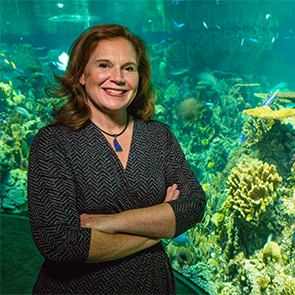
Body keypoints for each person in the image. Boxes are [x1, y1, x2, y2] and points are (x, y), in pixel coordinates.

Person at [28, 24, 206, 295]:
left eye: (129, 68)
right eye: (104, 65)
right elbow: (60, 242)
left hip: (152, 285)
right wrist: (159, 227)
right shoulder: (53, 143)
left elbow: (193, 205)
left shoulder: (157, 135)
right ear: (81, 75)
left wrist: (110, 222)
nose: (118, 78)